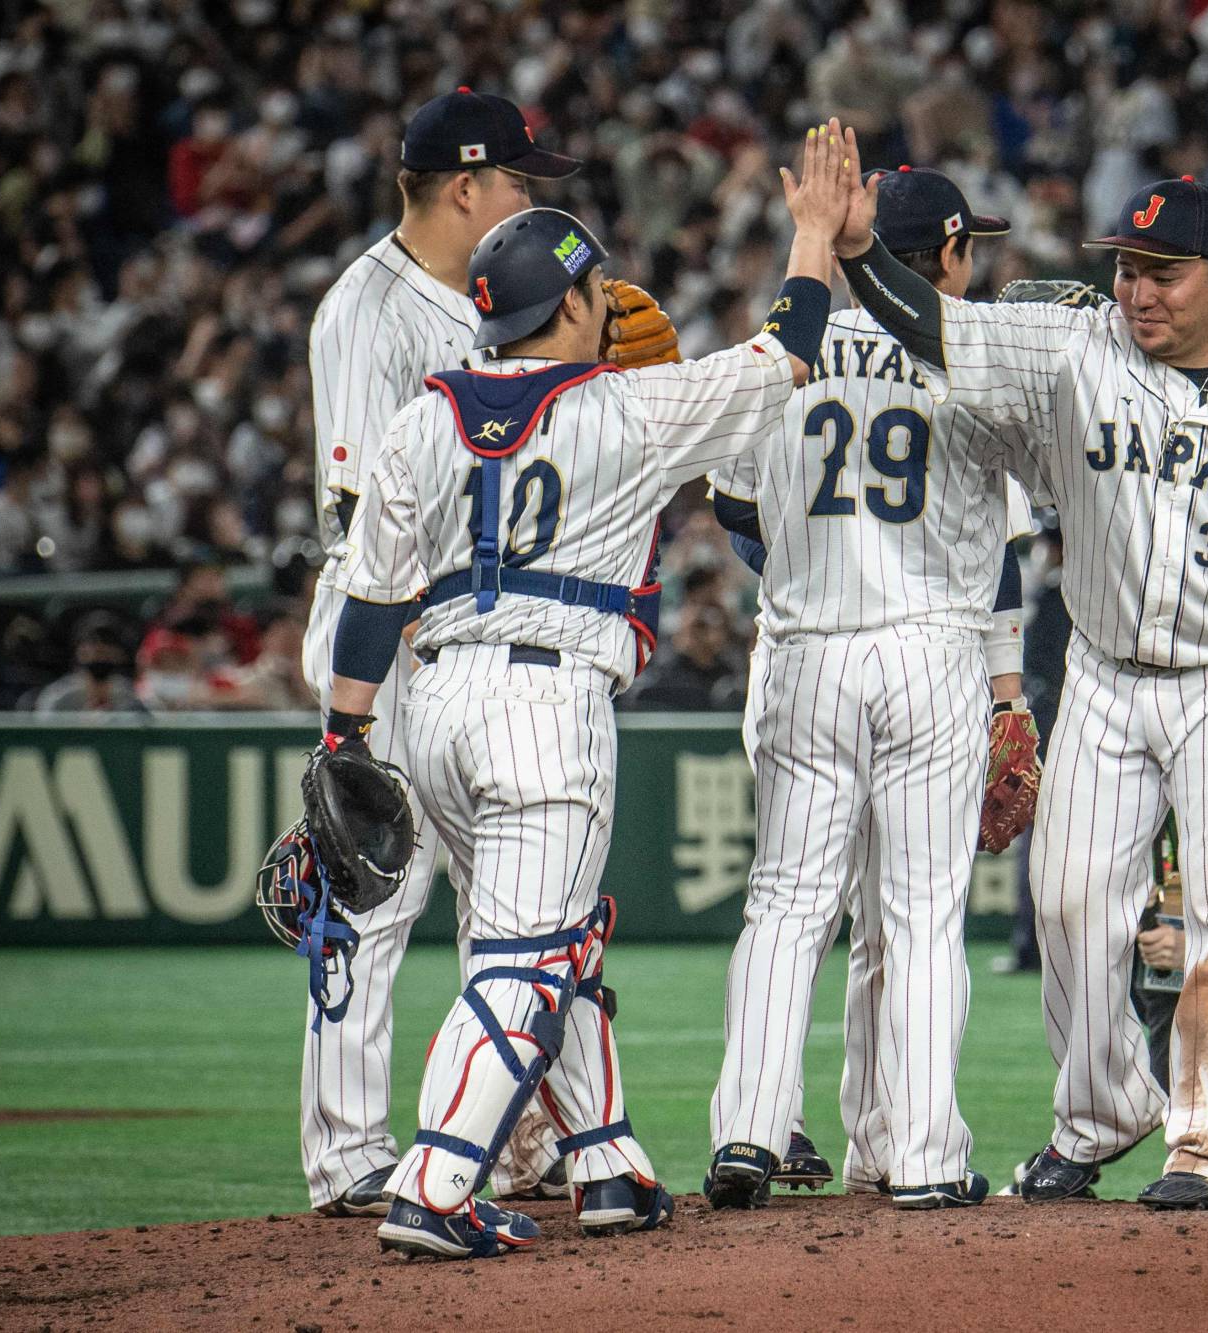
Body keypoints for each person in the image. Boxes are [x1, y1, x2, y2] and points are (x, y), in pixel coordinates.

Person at [825, 130, 1208, 1211]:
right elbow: (934, 326)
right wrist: (862, 257)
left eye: (1163, 274)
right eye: (1125, 268)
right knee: (1066, 897)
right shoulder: (1072, 347)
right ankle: (1099, 1112)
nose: (1135, 290)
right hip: (1100, 667)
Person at [316, 128, 849, 1259]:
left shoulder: (419, 420)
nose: (610, 304)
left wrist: (344, 731)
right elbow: (787, 348)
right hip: (547, 708)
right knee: (526, 959)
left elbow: (370, 599)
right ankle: (434, 1181)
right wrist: (810, 237)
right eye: (595, 287)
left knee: (561, 942)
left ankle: (606, 1162)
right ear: (562, 304)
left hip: (433, 701)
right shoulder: (632, 411)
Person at [702, 164, 1035, 1209]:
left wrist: (815, 557)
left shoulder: (787, 343)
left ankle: (747, 1133)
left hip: (805, 648)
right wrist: (1006, 690)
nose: (969, 263)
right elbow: (1010, 552)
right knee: (921, 912)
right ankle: (923, 1155)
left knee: (787, 902)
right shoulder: (966, 357)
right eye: (963, 246)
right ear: (941, 253)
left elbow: (735, 507)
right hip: (931, 647)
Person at [297, 87, 581, 1218]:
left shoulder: (484, 299)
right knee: (374, 892)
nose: (529, 197)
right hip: (395, 627)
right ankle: (348, 1153)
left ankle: (514, 1141)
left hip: (473, 628)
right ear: (465, 186)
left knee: (511, 896)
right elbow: (371, 518)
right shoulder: (369, 310)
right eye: (518, 180)